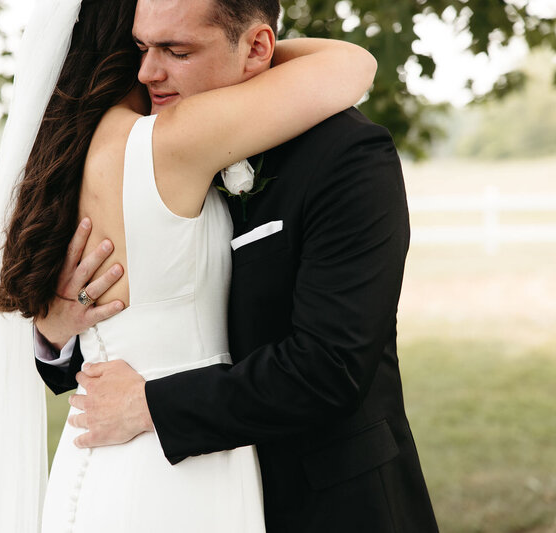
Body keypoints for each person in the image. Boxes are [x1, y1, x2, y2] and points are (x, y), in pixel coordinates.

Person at [33, 0, 440, 532]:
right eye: (141, 47)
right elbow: (102, 338)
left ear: (257, 48)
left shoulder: (346, 154)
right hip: (177, 491)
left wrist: (150, 405)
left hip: (326, 503)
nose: (148, 72)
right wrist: (59, 329)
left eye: (177, 51)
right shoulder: (141, 145)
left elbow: (331, 367)